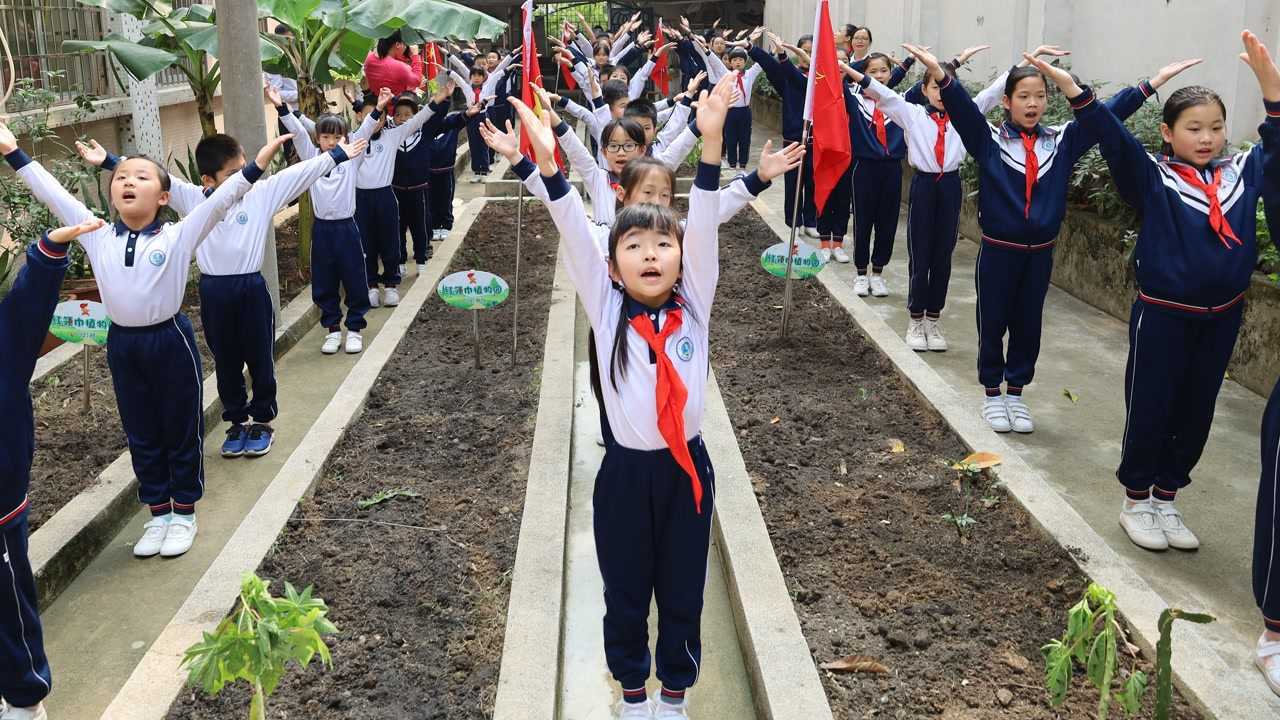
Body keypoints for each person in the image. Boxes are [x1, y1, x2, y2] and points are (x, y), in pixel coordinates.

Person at [521, 72, 733, 720]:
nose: (651, 253)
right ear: (612, 266)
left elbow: (701, 225)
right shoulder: (608, 308)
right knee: (624, 591)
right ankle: (632, 694)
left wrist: (713, 142)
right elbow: (573, 226)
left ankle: (674, 695)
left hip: (685, 472)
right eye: (634, 245)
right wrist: (549, 163)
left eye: (662, 244)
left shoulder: (694, 304)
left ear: (679, 257)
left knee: (682, 592)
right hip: (625, 476)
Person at [0, 121, 291, 559]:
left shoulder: (179, 234)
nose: (127, 182)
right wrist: (13, 152)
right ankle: (158, 513)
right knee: (141, 431)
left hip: (169, 341)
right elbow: (54, 195)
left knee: (180, 428)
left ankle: (185, 512)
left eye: (140, 176)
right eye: (120, 177)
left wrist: (255, 167)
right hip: (124, 346)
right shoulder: (95, 234)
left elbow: (224, 199)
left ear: (163, 196)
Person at [1090, 37, 1279, 556]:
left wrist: (1272, 96)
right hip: (1164, 314)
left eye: (1216, 127)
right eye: (1194, 129)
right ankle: (1136, 499)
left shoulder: (1242, 172)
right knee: (1151, 404)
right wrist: (1112, 92)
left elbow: (1277, 147)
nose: (1208, 138)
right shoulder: (1155, 176)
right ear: (1168, 134)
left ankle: (1167, 496)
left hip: (1221, 317)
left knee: (1197, 408)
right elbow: (1110, 135)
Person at [78, 117, 363, 457]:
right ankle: (236, 422)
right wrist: (111, 162)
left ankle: (261, 421)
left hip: (251, 290)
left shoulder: (262, 193)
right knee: (226, 361)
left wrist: (337, 155)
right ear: (207, 181)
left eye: (246, 169)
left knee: (260, 359)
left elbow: (299, 173)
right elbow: (151, 178)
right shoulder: (193, 198)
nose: (245, 179)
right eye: (234, 175)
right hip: (215, 293)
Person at [911, 42, 1107, 435]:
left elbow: (1108, 119)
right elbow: (964, 111)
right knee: (994, 319)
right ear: (1006, 101)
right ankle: (991, 393)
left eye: (1040, 96)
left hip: (1040, 255)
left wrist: (1146, 86)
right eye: (1024, 96)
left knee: (1028, 322)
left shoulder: (1062, 141)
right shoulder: (989, 141)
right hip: (1000, 251)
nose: (1032, 103)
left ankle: (1015, 393)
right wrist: (941, 73)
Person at [0, 218, 104, 720]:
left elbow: (26, 307)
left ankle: (25, 697)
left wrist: (47, 251)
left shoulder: (5, 341)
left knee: (7, 606)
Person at [277, 91, 382, 356]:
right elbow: (299, 133)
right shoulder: (313, 157)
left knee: (355, 277)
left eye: (338, 137)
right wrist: (281, 106)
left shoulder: (353, 155)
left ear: (346, 139)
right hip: (322, 230)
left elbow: (366, 130)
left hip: (347, 228)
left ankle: (355, 329)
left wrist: (379, 107)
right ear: (318, 139)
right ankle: (333, 330)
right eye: (326, 137)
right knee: (324, 280)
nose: (332, 142)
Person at [354, 87, 440, 309]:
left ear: (386, 119)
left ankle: (391, 285)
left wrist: (439, 98)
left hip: (385, 196)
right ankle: (371, 285)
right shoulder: (353, 139)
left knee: (390, 241)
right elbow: (319, 132)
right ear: (359, 116)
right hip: (360, 198)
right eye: (370, 115)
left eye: (380, 116)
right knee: (366, 243)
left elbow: (417, 119)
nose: (375, 121)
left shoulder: (393, 135)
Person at [752, 31, 817, 238]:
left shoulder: (822, 77)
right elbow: (770, 66)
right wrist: (751, 48)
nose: (807, 54)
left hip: (818, 139)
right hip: (794, 138)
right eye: (804, 50)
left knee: (813, 182)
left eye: (811, 51)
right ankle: (794, 222)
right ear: (796, 52)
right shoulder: (789, 74)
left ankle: (811, 221)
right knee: (794, 183)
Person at [724, 38, 764, 170]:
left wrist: (772, 51)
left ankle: (742, 164)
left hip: (744, 112)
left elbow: (760, 63)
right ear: (730, 62)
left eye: (740, 60)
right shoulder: (726, 75)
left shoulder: (749, 74)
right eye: (734, 60)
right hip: (730, 111)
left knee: (745, 139)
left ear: (745, 62)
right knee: (730, 138)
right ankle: (731, 164)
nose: (737, 62)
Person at [363, 30, 424, 96]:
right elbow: (417, 81)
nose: (405, 47)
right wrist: (415, 55)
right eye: (405, 44)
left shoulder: (369, 58)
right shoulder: (399, 67)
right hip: (394, 105)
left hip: (375, 101)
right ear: (397, 45)